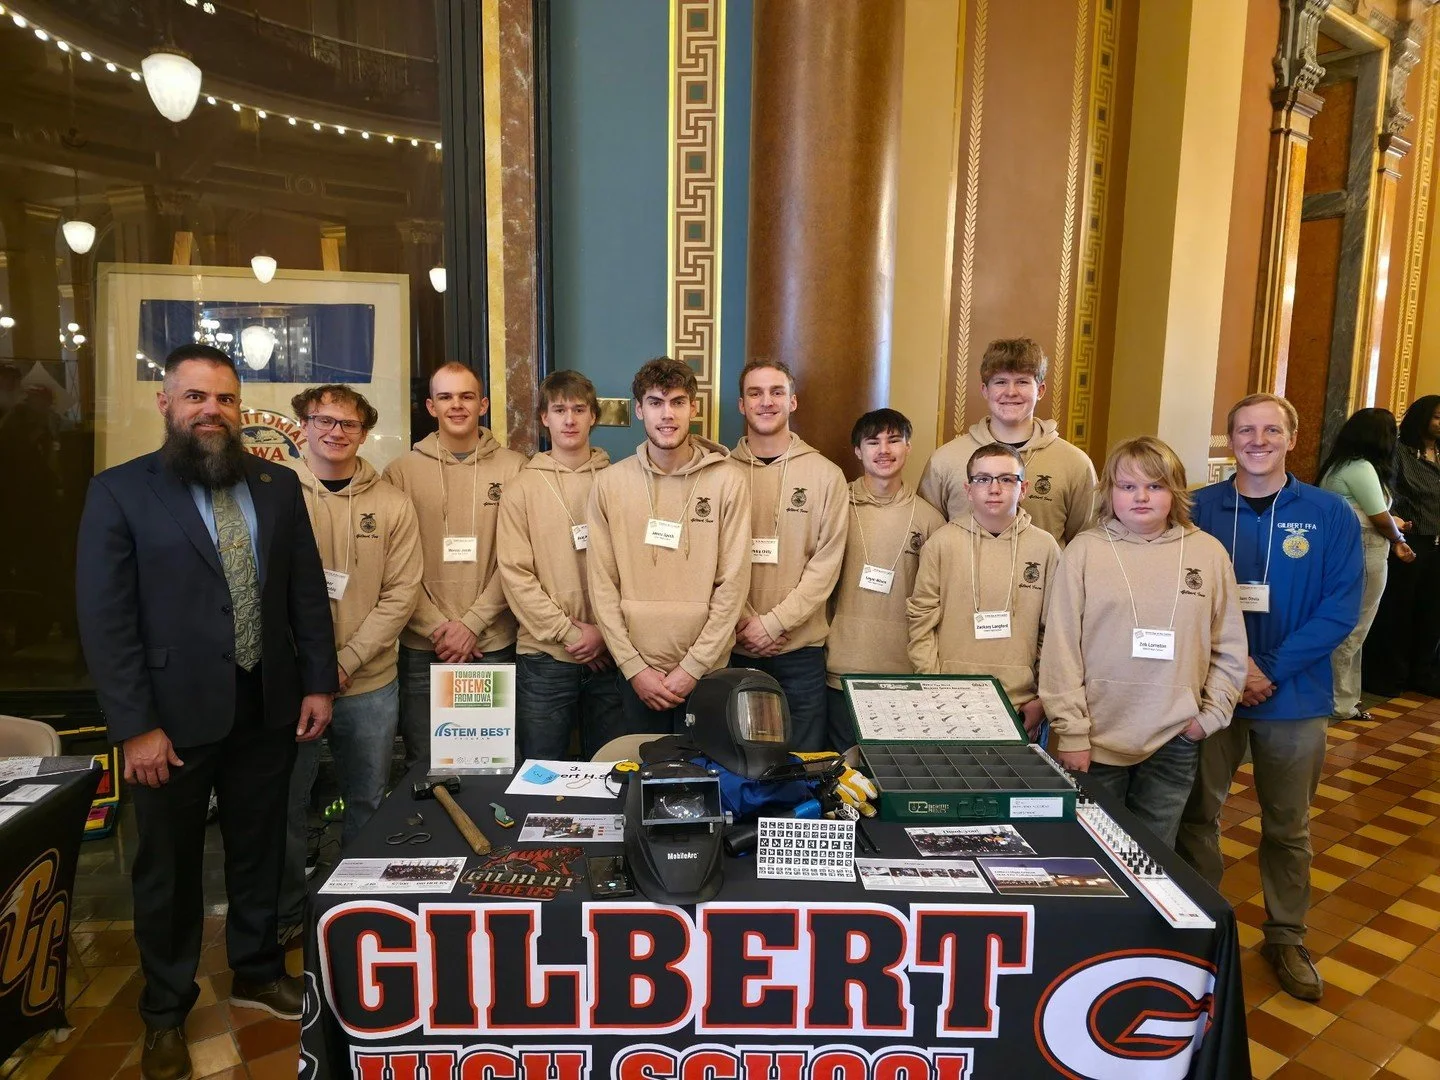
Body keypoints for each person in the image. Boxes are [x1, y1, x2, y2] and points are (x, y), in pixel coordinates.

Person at [75, 345, 336, 1080]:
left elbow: (305, 594)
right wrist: (134, 728)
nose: (210, 412)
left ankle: (256, 969)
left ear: (240, 407)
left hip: (266, 708)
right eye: (195, 398)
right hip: (169, 722)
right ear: (166, 405)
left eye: (223, 399)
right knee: (168, 870)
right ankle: (164, 1009)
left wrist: (317, 683)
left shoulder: (278, 485)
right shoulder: (120, 492)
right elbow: (107, 621)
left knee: (260, 848)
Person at [1177, 394, 1362, 1002]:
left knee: (1288, 825)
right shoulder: (1197, 508)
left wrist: (1266, 667)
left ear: (1292, 436)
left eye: (1271, 429)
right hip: (1209, 694)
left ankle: (1285, 934)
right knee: (1197, 817)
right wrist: (1231, 671)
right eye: (1245, 430)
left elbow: (1341, 607)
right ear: (1230, 439)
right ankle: (1207, 928)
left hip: (1294, 694)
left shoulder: (1330, 513)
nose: (1258, 440)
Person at [1039, 436, 1246, 850]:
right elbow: (1059, 649)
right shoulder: (1083, 551)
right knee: (1093, 856)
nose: (1141, 497)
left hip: (1175, 737)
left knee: (1156, 856)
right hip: (1095, 741)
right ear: (1109, 492)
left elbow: (1230, 645)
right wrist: (1072, 732)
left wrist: (1207, 718)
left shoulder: (1208, 553)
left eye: (1155, 486)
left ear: (1175, 491)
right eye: (1127, 486)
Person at [278, 384, 422, 943]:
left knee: (367, 798)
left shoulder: (391, 504)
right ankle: (291, 913)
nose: (335, 432)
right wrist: (309, 669)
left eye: (349, 424)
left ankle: (359, 904)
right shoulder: (276, 494)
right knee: (289, 804)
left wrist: (346, 661)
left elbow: (401, 592)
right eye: (324, 420)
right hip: (292, 686)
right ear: (303, 425)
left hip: (370, 682)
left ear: (364, 433)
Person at [587, 356, 750, 734]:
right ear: (640, 410)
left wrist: (693, 667)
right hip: (636, 675)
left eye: (677, 402)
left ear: (694, 408)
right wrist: (633, 667)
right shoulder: (609, 484)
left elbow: (734, 583)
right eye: (656, 403)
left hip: (708, 670)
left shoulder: (728, 481)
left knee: (707, 785)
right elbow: (601, 584)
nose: (667, 415)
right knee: (641, 781)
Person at [382, 362, 526, 770]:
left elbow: (518, 560)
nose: (456, 406)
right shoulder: (400, 472)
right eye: (445, 397)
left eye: (466, 396)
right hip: (424, 647)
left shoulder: (516, 469)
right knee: (425, 766)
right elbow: (394, 567)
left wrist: (472, 624)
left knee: (490, 765)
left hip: (493, 642)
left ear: (482, 404)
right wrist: (441, 629)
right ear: (430, 406)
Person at [498, 370, 623, 758]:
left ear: (593, 417)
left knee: (610, 768)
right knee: (542, 768)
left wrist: (603, 632)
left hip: (611, 652)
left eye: (579, 409)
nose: (569, 419)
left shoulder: (620, 480)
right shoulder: (521, 487)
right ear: (544, 418)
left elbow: (636, 570)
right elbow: (515, 573)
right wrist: (569, 634)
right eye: (559, 409)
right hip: (544, 655)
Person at [728, 359, 848, 750]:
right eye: (755, 393)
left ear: (793, 402)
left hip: (800, 651)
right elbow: (708, 562)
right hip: (731, 645)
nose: (766, 402)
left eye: (777, 392)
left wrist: (775, 623)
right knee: (737, 763)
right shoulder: (718, 473)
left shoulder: (826, 475)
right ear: (741, 405)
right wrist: (748, 623)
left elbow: (826, 566)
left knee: (803, 766)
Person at [909, 443, 1059, 739]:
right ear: (968, 489)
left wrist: (1041, 697)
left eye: (1006, 479)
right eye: (983, 479)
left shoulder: (1045, 547)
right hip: (949, 698)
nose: (994, 488)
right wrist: (933, 685)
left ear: (1024, 488)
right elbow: (921, 621)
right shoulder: (941, 543)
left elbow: (1055, 631)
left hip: (1020, 703)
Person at [826, 409, 944, 749]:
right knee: (842, 778)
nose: (884, 450)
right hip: (840, 669)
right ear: (857, 451)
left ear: (908, 447)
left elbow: (934, 605)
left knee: (893, 777)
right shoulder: (835, 505)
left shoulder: (930, 520)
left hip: (902, 674)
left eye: (894, 441)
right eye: (873, 441)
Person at [918, 337, 1096, 546]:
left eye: (1022, 381)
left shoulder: (1075, 464)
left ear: (1040, 390)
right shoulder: (944, 460)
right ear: (985, 390)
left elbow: (1086, 543)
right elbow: (926, 535)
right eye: (1000, 382)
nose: (1011, 392)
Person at [1317, 408, 1412, 721]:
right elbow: (1378, 516)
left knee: (1347, 625)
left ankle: (1342, 699)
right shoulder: (1361, 467)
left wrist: (1392, 527)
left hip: (1345, 550)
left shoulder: (1339, 465)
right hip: (1366, 552)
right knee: (1355, 628)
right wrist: (1398, 535)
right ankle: (1339, 702)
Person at [1363, 394, 1440, 697]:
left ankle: (1423, 672)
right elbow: (1389, 495)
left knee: (1432, 611)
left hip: (1438, 544)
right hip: (1410, 540)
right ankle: (1390, 675)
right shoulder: (1401, 453)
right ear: (1422, 418)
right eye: (1436, 417)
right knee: (1400, 608)